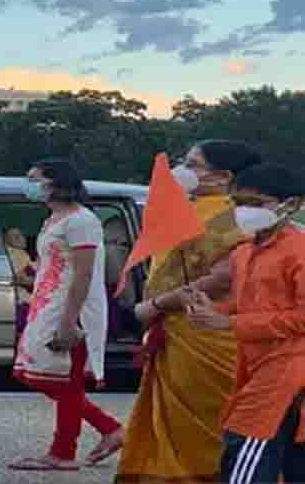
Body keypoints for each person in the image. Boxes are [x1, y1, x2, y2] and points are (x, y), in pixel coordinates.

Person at [115, 140, 263, 483]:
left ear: (222, 176)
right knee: (179, 422)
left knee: (207, 419)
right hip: (181, 331)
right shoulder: (190, 209)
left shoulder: (233, 214)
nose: (181, 170)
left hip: (208, 333)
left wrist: (155, 305)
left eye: (193, 164)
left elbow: (225, 275)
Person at [185, 162, 305, 484]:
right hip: (258, 364)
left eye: (255, 203)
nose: (244, 211)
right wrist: (216, 311)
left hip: (288, 369)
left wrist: (229, 324)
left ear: (291, 205)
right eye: (238, 203)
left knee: (248, 451)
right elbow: (254, 303)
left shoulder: (299, 251)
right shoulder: (243, 252)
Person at [10, 158, 123, 472]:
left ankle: (64, 450)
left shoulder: (81, 220)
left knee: (64, 379)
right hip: (48, 305)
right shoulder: (54, 218)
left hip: (71, 309)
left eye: (35, 179)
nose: (29, 185)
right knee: (45, 375)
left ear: (57, 183)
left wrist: (68, 320)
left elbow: (84, 275)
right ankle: (107, 430)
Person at [4, 228, 35, 335]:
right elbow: (20, 278)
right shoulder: (16, 254)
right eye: (16, 237)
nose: (21, 239)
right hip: (22, 303)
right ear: (6, 241)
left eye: (21, 235)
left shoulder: (21, 254)